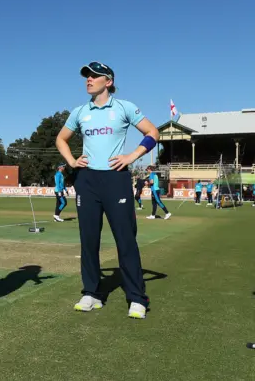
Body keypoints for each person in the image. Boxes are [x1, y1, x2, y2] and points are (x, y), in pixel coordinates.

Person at [56, 61, 159, 319]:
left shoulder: (124, 107)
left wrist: (132, 155)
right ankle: (92, 293)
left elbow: (153, 132)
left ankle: (136, 297)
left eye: (94, 76)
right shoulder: (80, 112)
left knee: (125, 240)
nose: (88, 80)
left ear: (108, 81)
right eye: (86, 76)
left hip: (116, 179)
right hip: (87, 181)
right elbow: (61, 138)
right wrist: (71, 162)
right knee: (88, 241)